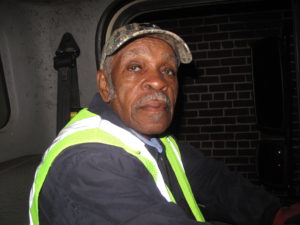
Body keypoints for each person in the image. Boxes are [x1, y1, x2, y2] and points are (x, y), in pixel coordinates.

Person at [29, 23, 300, 225]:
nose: (159, 81)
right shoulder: (89, 162)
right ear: (105, 85)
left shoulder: (157, 142)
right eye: (135, 67)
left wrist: (274, 213)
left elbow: (215, 180)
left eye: (168, 70)